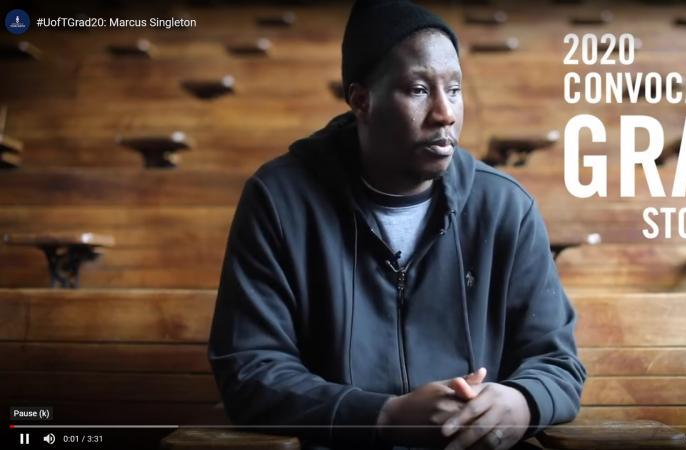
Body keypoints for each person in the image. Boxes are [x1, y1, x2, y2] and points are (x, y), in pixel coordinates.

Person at [208, 1, 586, 449]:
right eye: (419, 89)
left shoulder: (506, 206)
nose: (445, 113)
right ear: (362, 101)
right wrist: (382, 416)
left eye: (455, 89)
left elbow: (557, 363)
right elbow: (250, 370)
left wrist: (522, 402)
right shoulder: (279, 199)